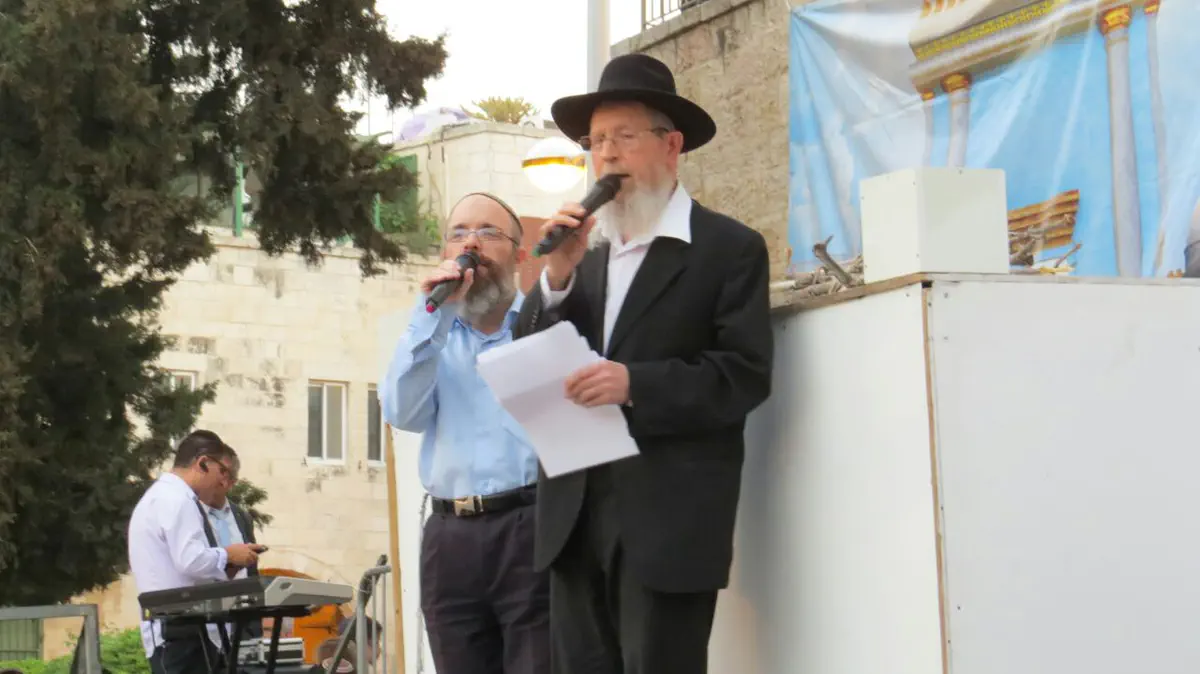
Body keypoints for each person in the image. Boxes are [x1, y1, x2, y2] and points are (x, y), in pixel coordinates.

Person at [514, 53, 774, 674]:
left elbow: (743, 374)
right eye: (596, 141)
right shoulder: (587, 255)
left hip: (667, 523)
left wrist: (634, 384)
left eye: (624, 137)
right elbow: (529, 351)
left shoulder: (727, 249)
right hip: (575, 516)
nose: (606, 155)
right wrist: (556, 276)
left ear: (671, 145)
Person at [379, 193, 550, 674]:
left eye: (488, 232)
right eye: (458, 234)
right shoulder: (430, 336)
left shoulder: (544, 324)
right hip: (450, 535)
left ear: (520, 254)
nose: (471, 243)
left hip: (531, 522)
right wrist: (432, 317)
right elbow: (401, 413)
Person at [128, 430, 268, 674]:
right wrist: (229, 555)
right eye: (221, 471)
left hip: (176, 627)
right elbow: (190, 560)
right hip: (180, 631)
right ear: (203, 463)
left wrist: (226, 567)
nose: (223, 481)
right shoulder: (179, 499)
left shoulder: (161, 495)